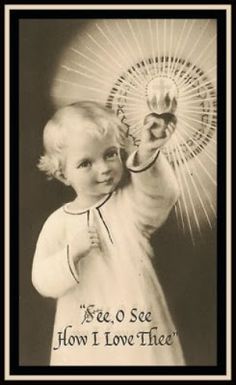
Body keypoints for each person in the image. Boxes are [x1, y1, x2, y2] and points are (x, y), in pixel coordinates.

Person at [32, 101, 185, 365]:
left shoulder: (128, 204)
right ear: (62, 174)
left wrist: (147, 152)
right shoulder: (58, 224)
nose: (103, 168)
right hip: (85, 332)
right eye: (85, 163)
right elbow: (42, 279)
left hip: (137, 325)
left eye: (110, 154)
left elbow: (162, 196)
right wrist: (71, 254)